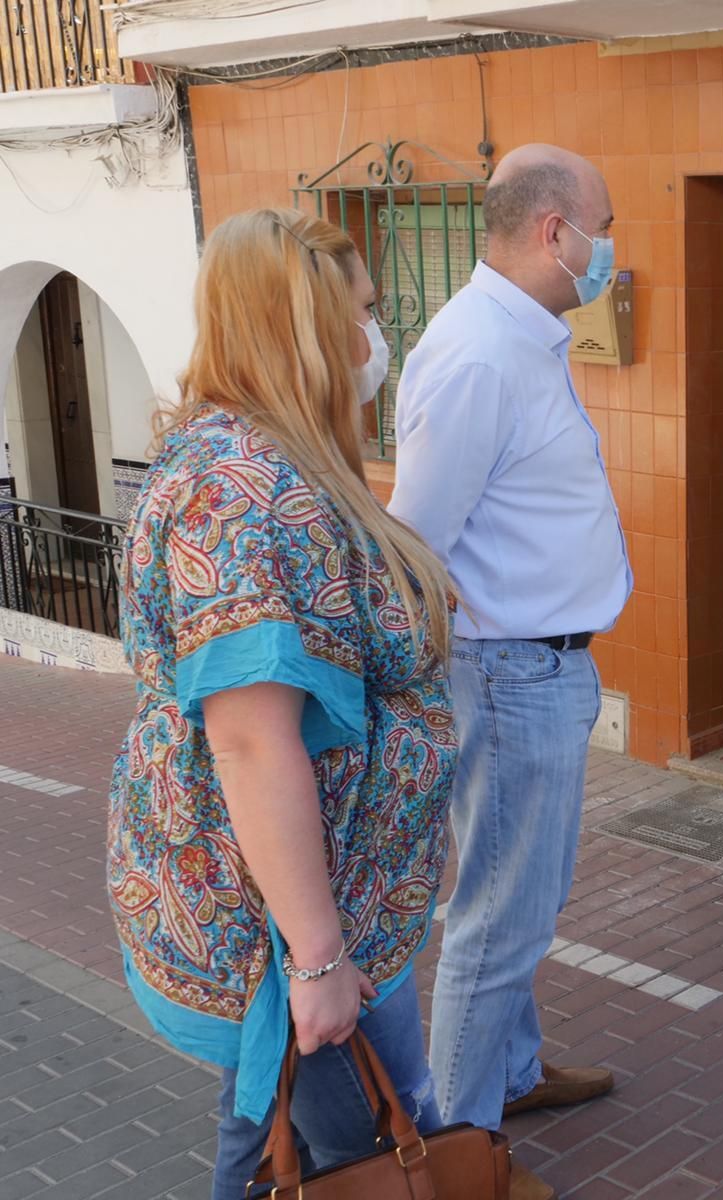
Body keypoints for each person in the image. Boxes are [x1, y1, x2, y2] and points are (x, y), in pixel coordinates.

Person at [107, 208, 463, 1199]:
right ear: (304, 328)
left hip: (314, 913)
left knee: (265, 1129)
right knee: (380, 1155)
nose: (375, 337)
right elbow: (253, 744)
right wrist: (317, 964)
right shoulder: (242, 491)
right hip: (298, 928)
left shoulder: (269, 457)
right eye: (363, 310)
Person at [389, 144, 631, 1149]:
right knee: (501, 917)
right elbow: (416, 539)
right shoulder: (482, 353)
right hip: (512, 668)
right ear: (553, 229)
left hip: (539, 663)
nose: (610, 247)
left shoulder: (525, 336)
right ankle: (458, 1149)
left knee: (508, 893)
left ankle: (514, 1072)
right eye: (604, 225)